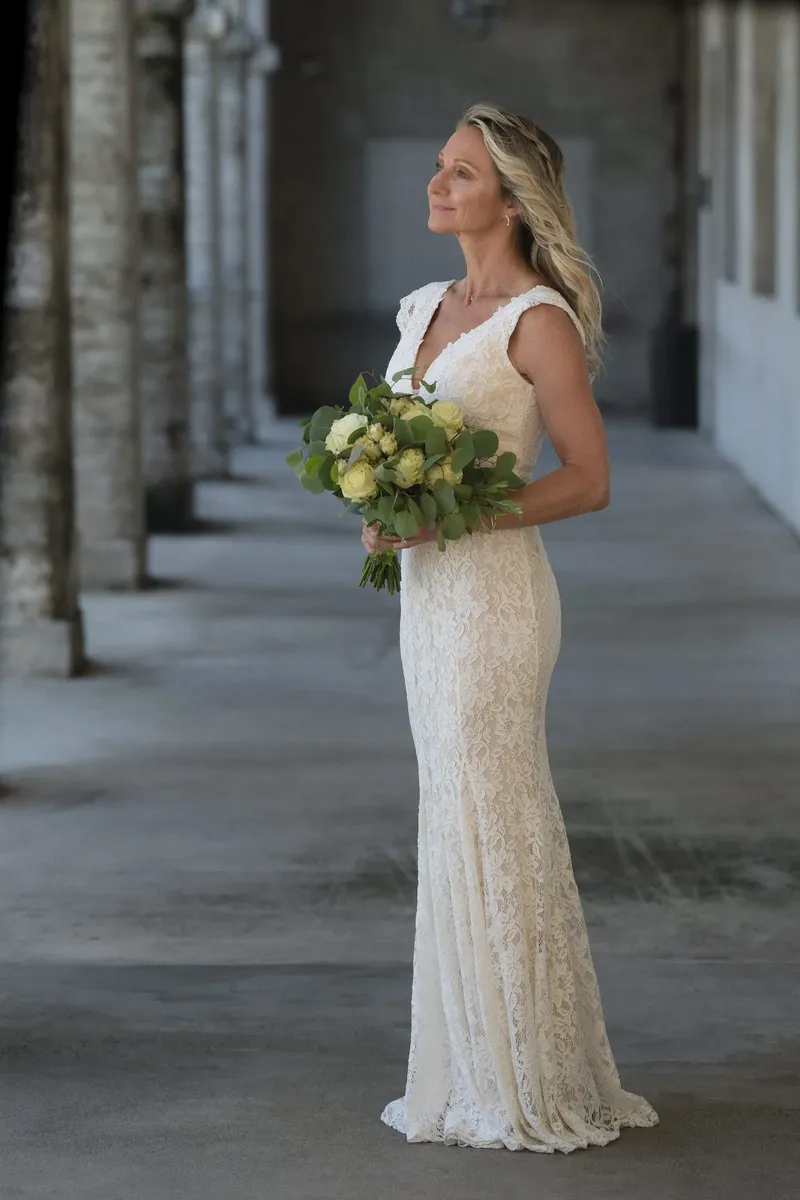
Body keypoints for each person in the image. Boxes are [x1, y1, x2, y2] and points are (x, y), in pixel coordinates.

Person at [361, 102, 659, 1153]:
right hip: (430, 606)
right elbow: (395, 441)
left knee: (496, 813)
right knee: (451, 814)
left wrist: (453, 513)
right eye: (437, 167)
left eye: (459, 174)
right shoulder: (422, 307)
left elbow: (588, 481)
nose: (436, 186)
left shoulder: (536, 319)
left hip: (494, 603)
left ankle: (526, 1079)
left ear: (511, 197)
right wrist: (383, 504)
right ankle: (465, 1071)